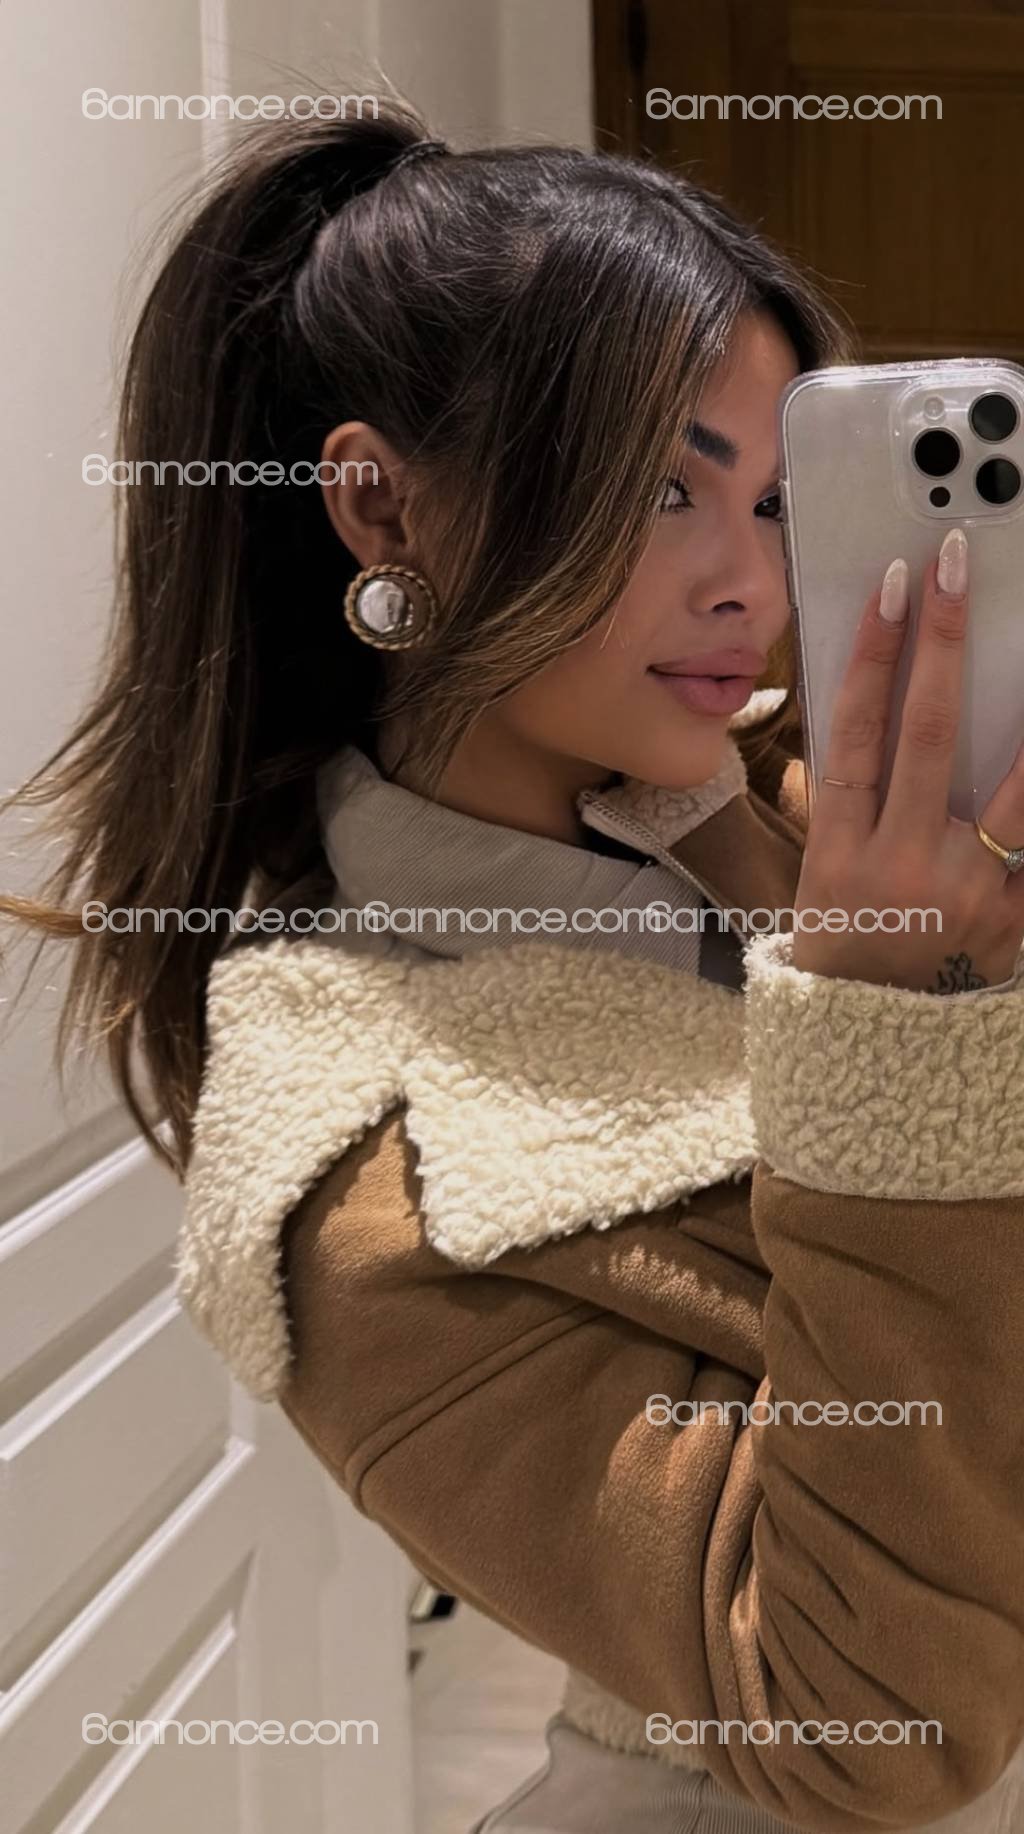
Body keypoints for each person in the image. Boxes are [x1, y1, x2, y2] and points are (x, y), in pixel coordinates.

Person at [5, 98, 1024, 1834]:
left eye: (776, 497)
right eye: (662, 488)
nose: (751, 585)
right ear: (382, 506)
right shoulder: (356, 1164)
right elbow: (866, 1720)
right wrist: (880, 1032)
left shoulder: (780, 820)